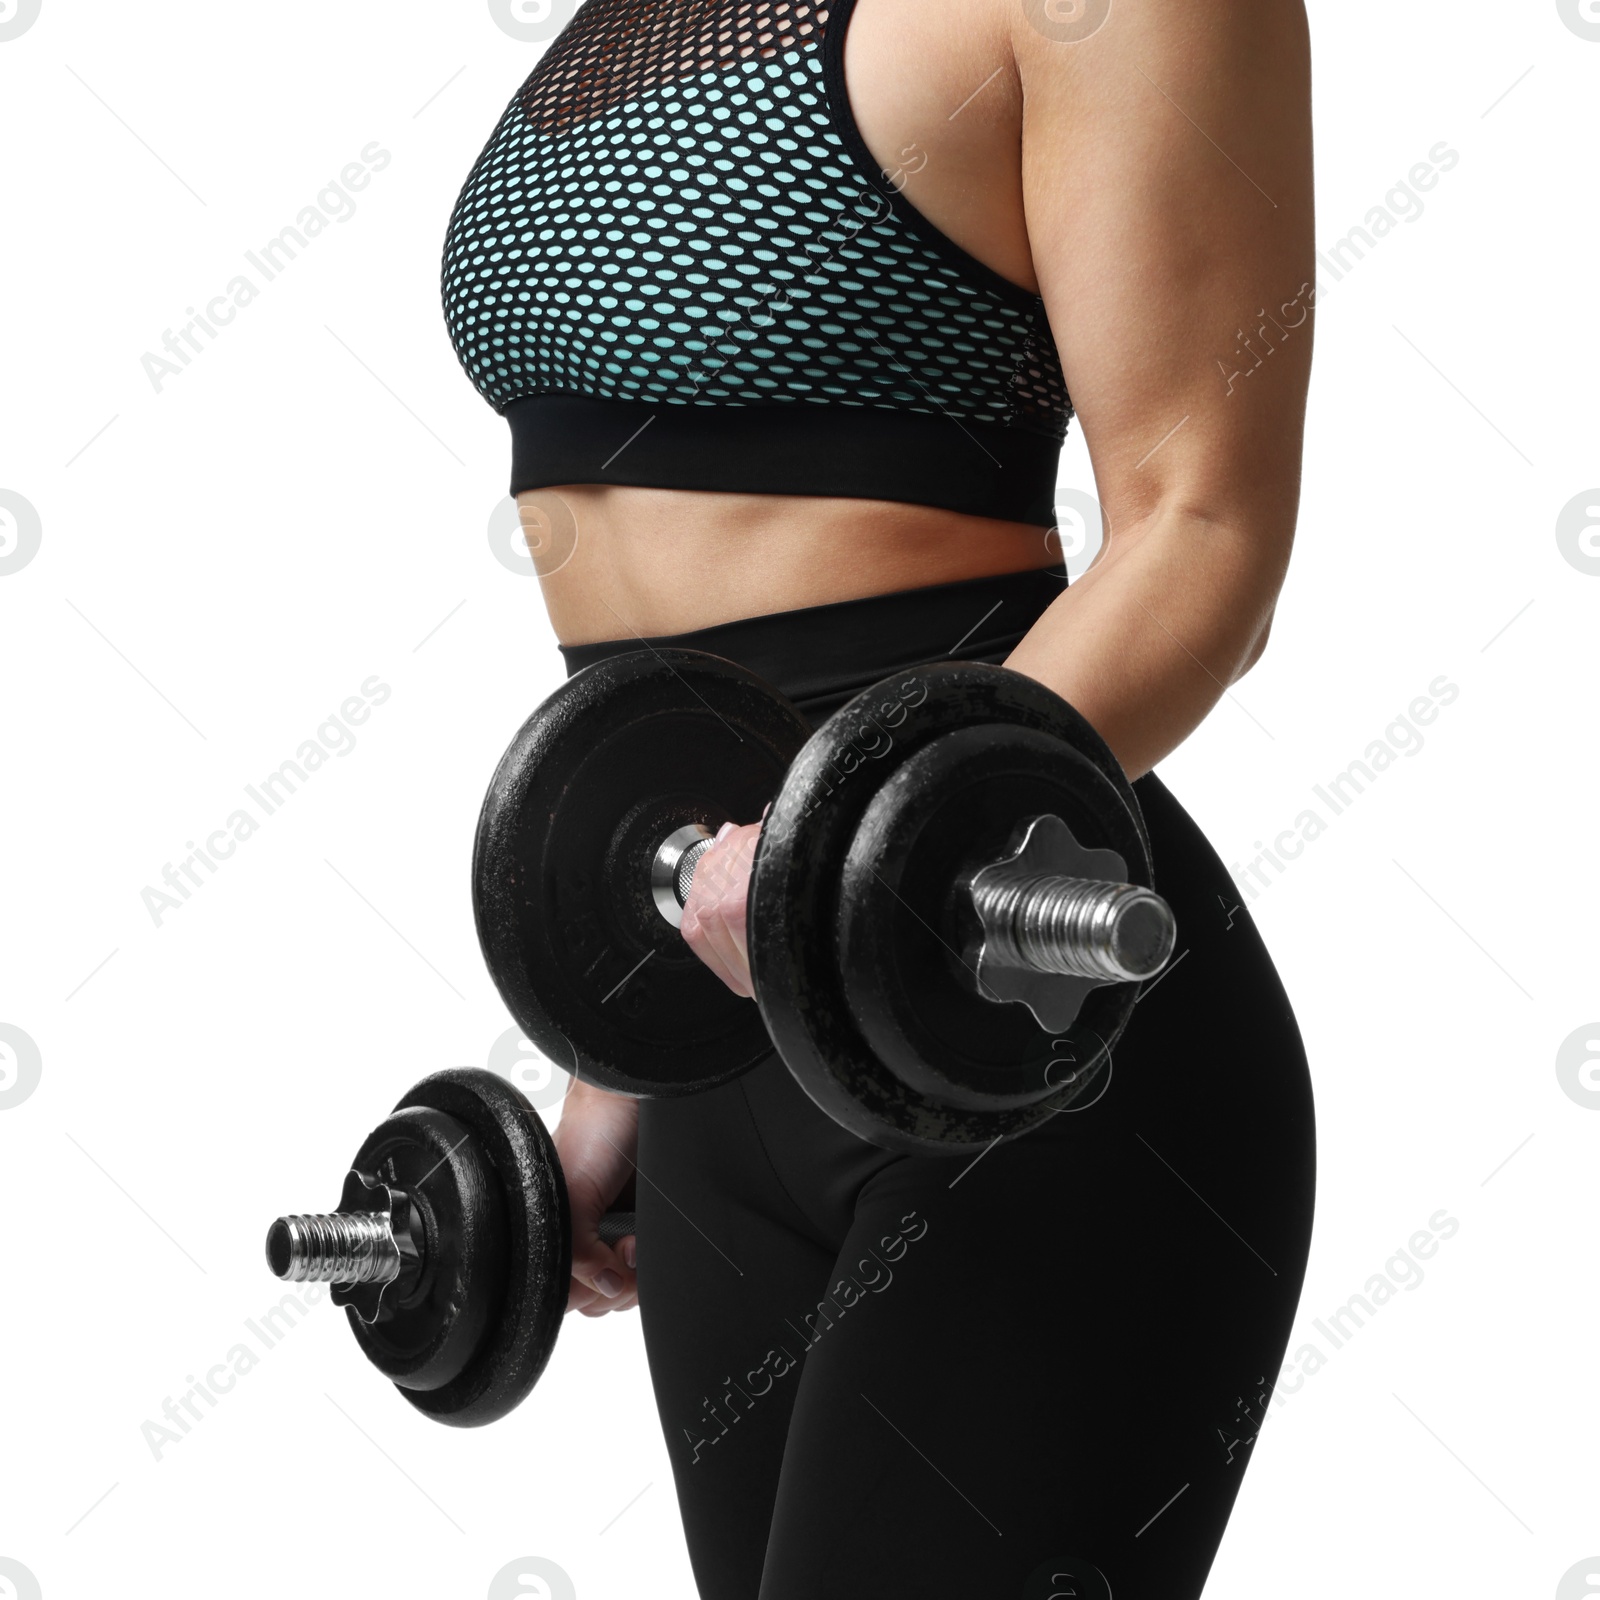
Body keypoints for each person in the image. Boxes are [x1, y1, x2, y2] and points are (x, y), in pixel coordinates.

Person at [442, 0, 1316, 1592]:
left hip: (1012, 999)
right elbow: (670, 631)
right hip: (733, 1025)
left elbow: (1205, 539)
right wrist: (623, 1036)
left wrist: (837, 866)